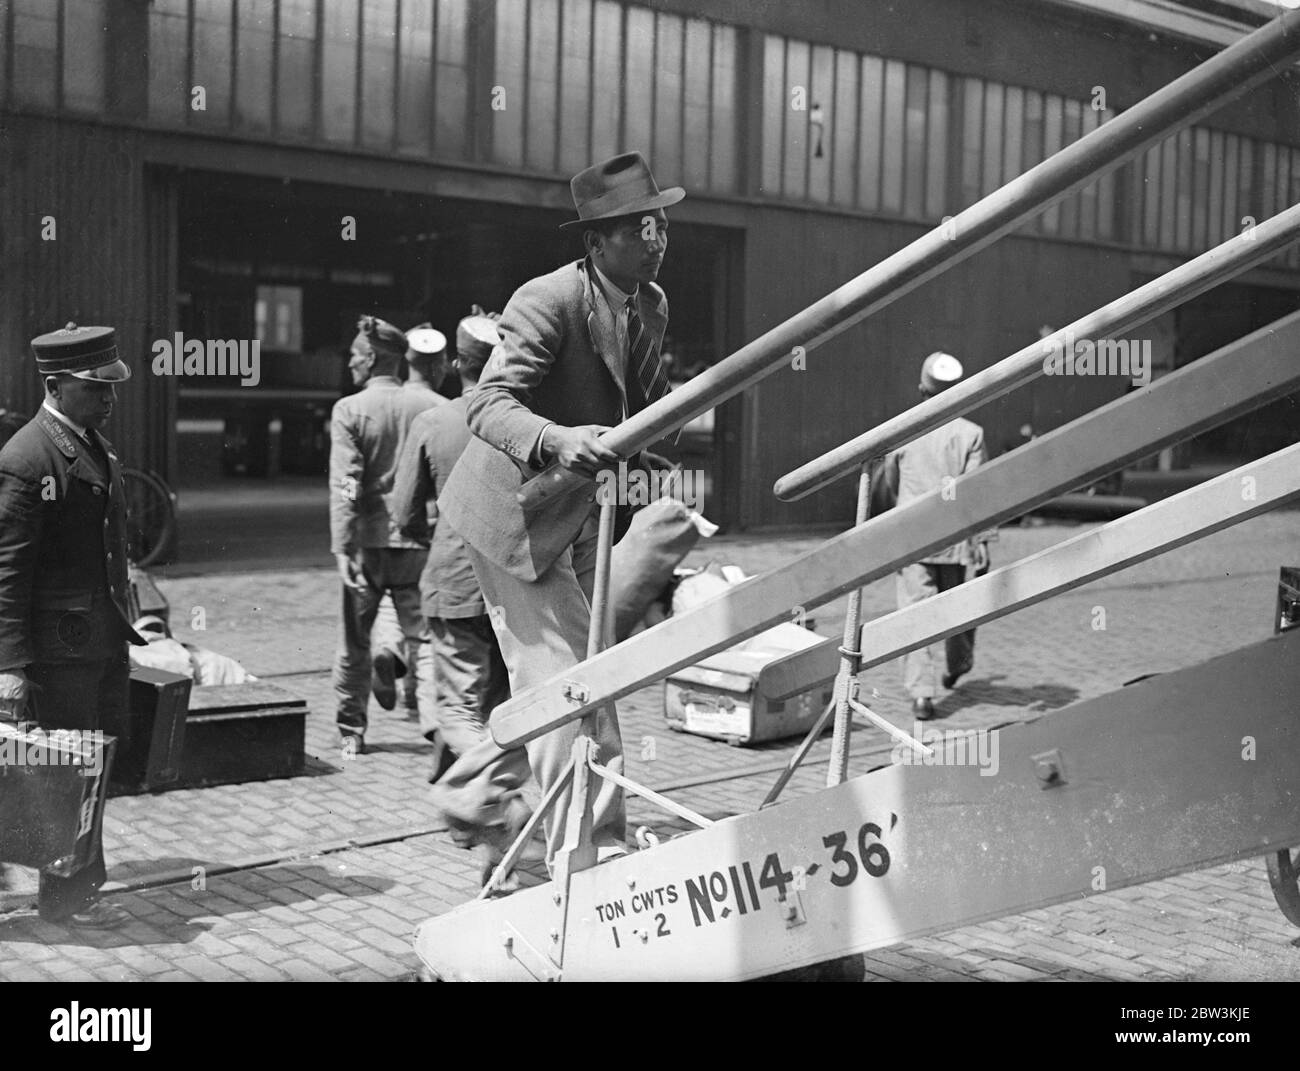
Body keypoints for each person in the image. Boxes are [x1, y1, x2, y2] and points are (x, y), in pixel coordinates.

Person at [436, 151, 681, 868]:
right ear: (596, 242)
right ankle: (590, 857)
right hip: (513, 517)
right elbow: (486, 401)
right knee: (578, 690)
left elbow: (644, 397)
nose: (657, 237)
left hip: (576, 513)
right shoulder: (545, 300)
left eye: (660, 222)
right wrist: (554, 438)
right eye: (640, 227)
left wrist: (673, 427)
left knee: (563, 678)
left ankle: (474, 794)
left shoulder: (650, 304)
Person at [0, 322, 145, 928]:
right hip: (58, 656)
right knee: (64, 774)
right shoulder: (27, 458)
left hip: (96, 644)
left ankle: (79, 888)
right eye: (96, 389)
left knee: (89, 767)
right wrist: (7, 668)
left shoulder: (90, 444)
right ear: (56, 386)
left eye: (111, 388)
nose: (110, 400)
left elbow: (112, 552)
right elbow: (7, 574)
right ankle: (64, 901)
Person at [393, 309, 520, 856]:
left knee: (459, 708)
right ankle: (471, 816)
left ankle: (495, 801)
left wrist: (433, 535)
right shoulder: (520, 420)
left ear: (454, 365)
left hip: (453, 577)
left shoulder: (435, 422)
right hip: (513, 578)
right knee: (498, 701)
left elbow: (403, 512)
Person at [329, 316, 443, 754]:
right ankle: (436, 731)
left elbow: (347, 483)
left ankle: (352, 732)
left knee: (355, 642)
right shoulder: (432, 405)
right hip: (419, 543)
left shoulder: (350, 410)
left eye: (356, 357)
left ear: (373, 357)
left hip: (367, 545)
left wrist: (343, 543)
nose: (351, 366)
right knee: (426, 642)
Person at [883, 352, 991, 721]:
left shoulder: (904, 432)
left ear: (921, 388)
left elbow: (892, 481)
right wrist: (983, 541)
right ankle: (959, 662)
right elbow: (977, 492)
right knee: (955, 607)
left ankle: (922, 695)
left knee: (915, 615)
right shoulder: (971, 434)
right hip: (955, 539)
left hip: (913, 538)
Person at [371, 324, 449, 715]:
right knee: (417, 616)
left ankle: (385, 647)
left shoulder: (381, 401)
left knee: (385, 602)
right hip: (421, 525)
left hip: (375, 526)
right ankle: (415, 699)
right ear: (438, 367)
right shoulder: (441, 407)